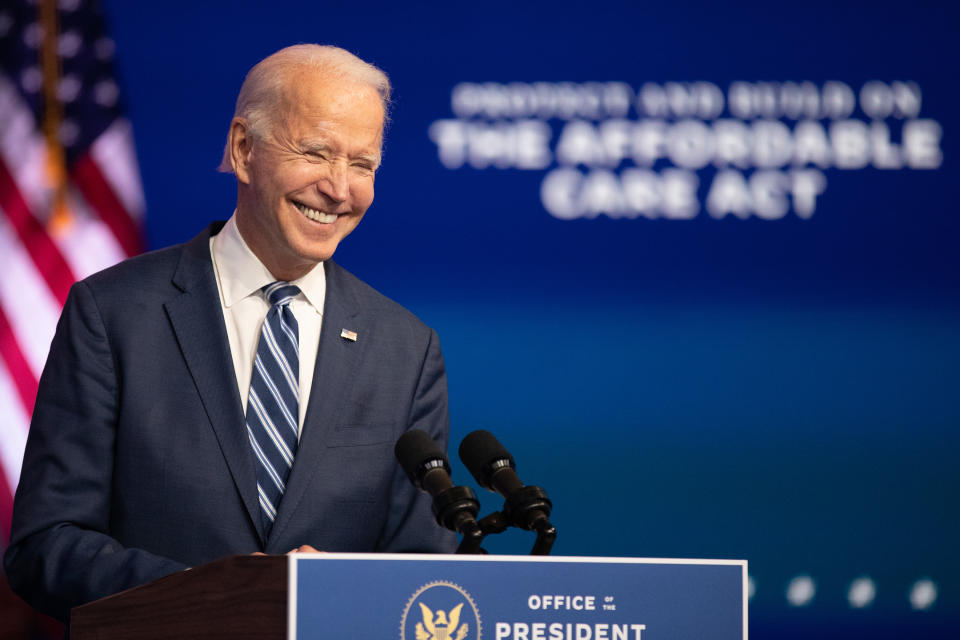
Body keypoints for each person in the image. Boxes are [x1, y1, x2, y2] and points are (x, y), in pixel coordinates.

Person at [4, 44, 455, 623]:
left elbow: (424, 567)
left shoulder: (405, 349)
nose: (340, 190)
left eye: (362, 164)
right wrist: (221, 593)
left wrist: (344, 589)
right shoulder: (113, 313)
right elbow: (47, 544)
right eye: (316, 153)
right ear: (244, 149)